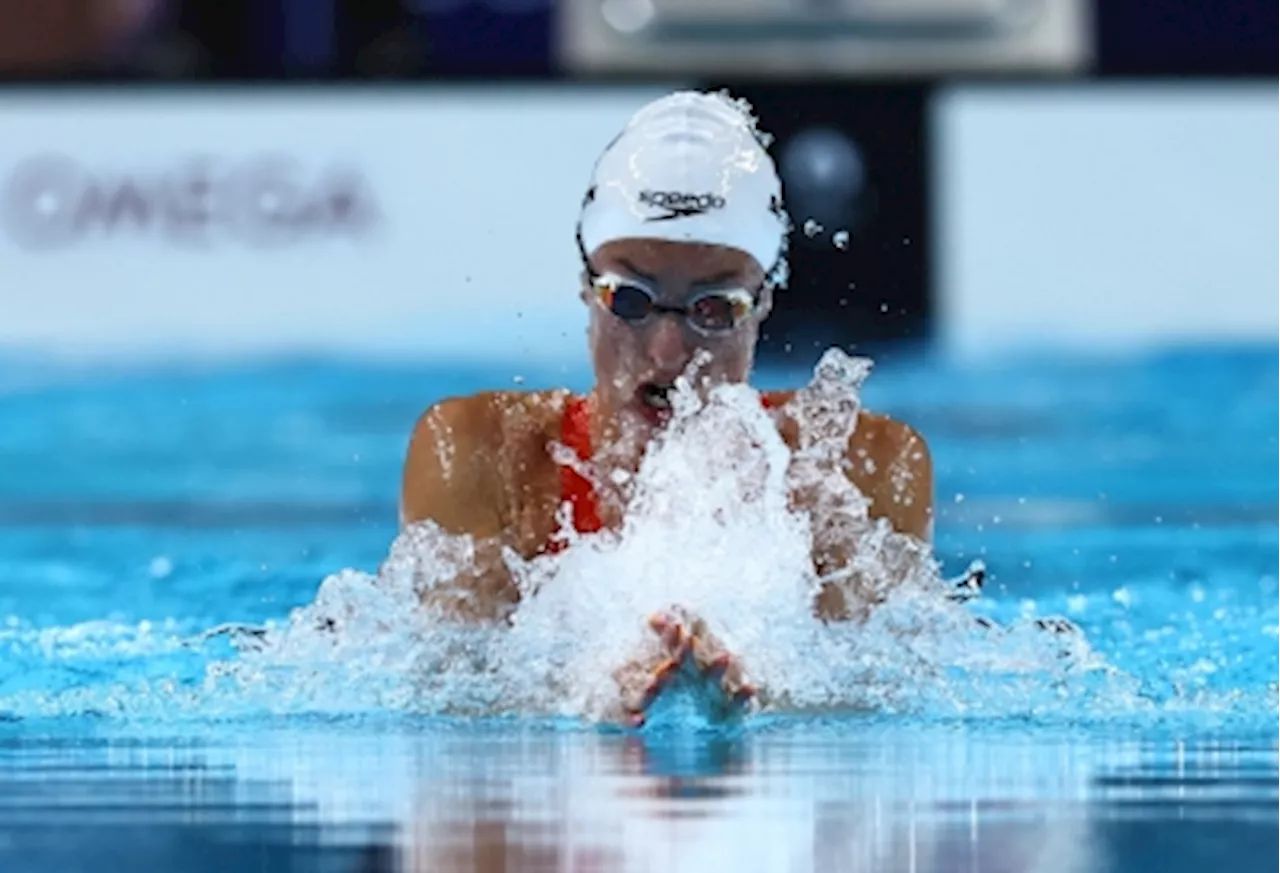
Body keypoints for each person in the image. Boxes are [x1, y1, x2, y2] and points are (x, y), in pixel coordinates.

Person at [398, 91, 935, 726]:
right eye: (629, 300)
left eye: (714, 309)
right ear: (584, 287)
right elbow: (442, 714)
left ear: (763, 304)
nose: (668, 350)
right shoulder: (480, 457)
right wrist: (585, 698)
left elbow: (887, 722)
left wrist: (770, 698)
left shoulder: (853, 470)